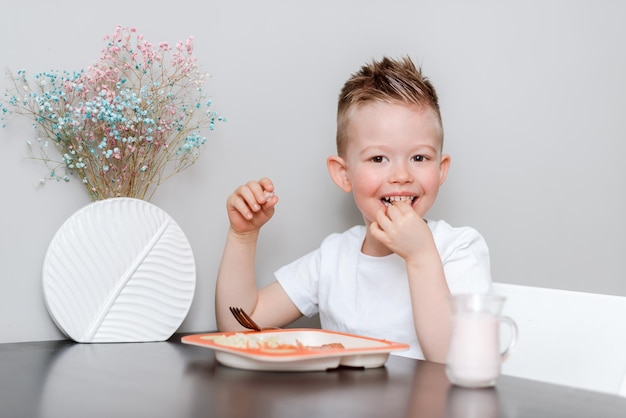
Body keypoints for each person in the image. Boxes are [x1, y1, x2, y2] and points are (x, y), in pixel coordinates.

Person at [215, 56, 491, 363]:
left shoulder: (459, 249)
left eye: (419, 158)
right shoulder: (333, 258)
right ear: (343, 174)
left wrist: (421, 256)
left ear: (441, 169)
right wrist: (243, 237)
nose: (402, 175)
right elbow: (239, 325)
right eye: (378, 159)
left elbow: (457, 361)